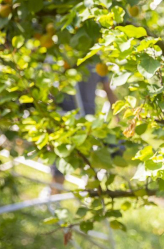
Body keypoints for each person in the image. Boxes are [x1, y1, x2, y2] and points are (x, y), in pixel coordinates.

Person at [49, 62, 118, 193]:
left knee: (65, 157)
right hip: (74, 117)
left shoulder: (71, 56)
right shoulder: (74, 58)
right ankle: (56, 196)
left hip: (74, 117)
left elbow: (107, 89)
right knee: (65, 158)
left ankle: (58, 196)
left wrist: (118, 112)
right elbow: (107, 89)